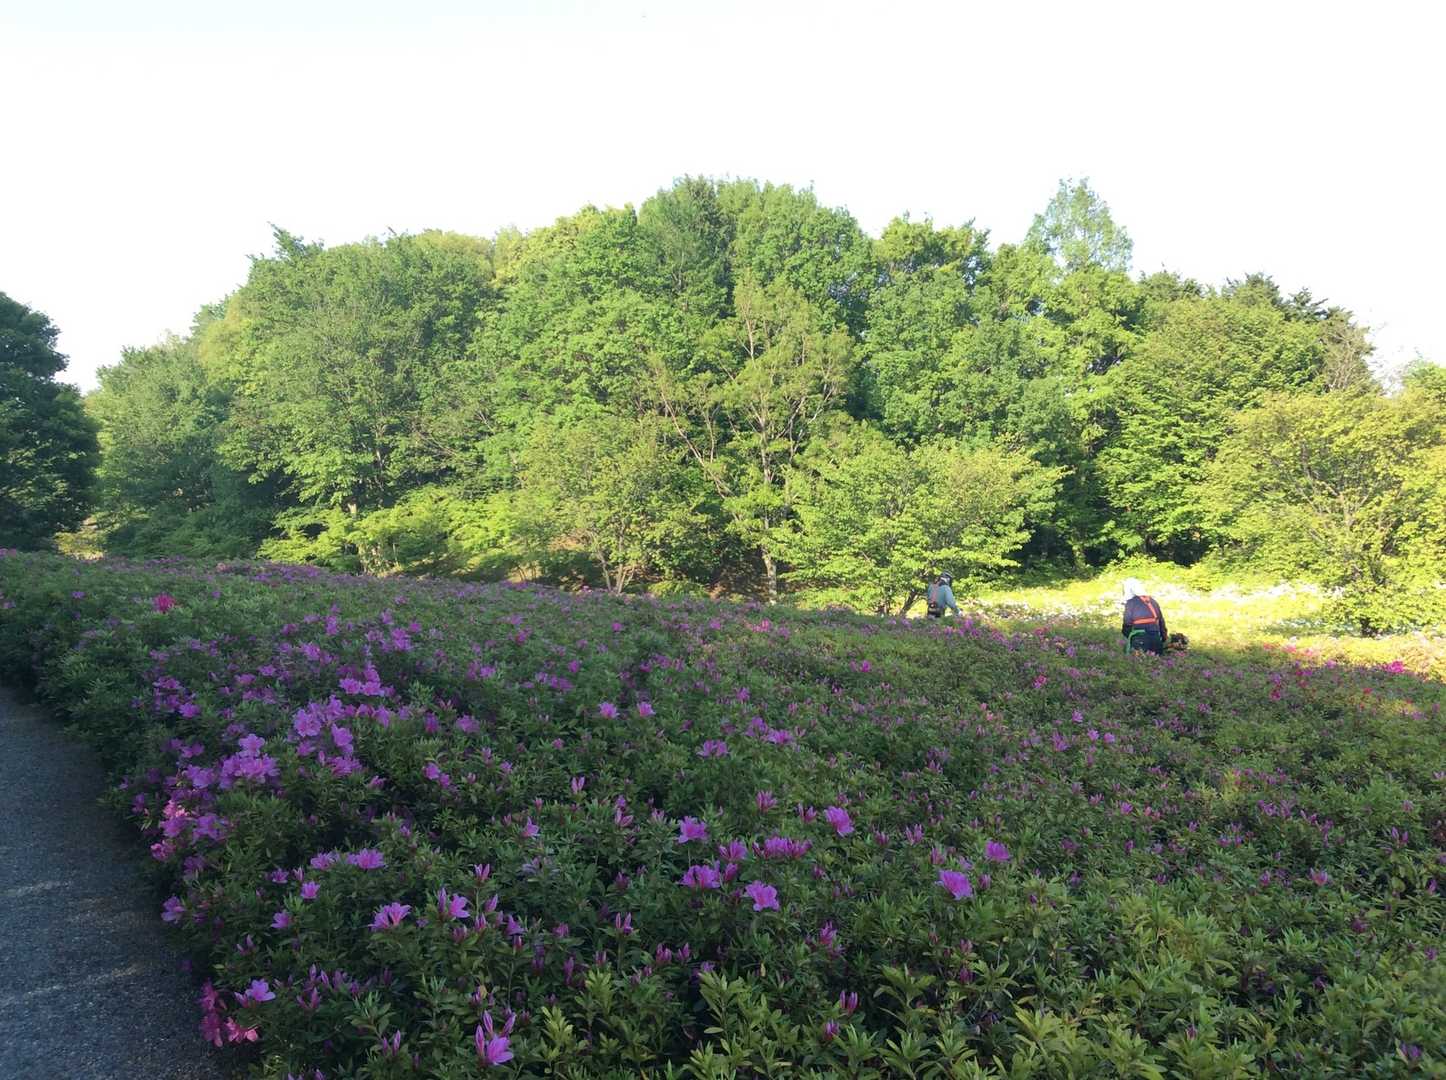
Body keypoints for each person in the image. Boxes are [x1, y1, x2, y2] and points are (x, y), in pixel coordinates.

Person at [1120, 578, 1167, 655]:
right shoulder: (1153, 601)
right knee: (1156, 661)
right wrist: (1163, 639)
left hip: (1140, 640)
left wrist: (1129, 636)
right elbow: (1161, 622)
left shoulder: (1130, 603)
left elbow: (1127, 624)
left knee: (1139, 661)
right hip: (1156, 640)